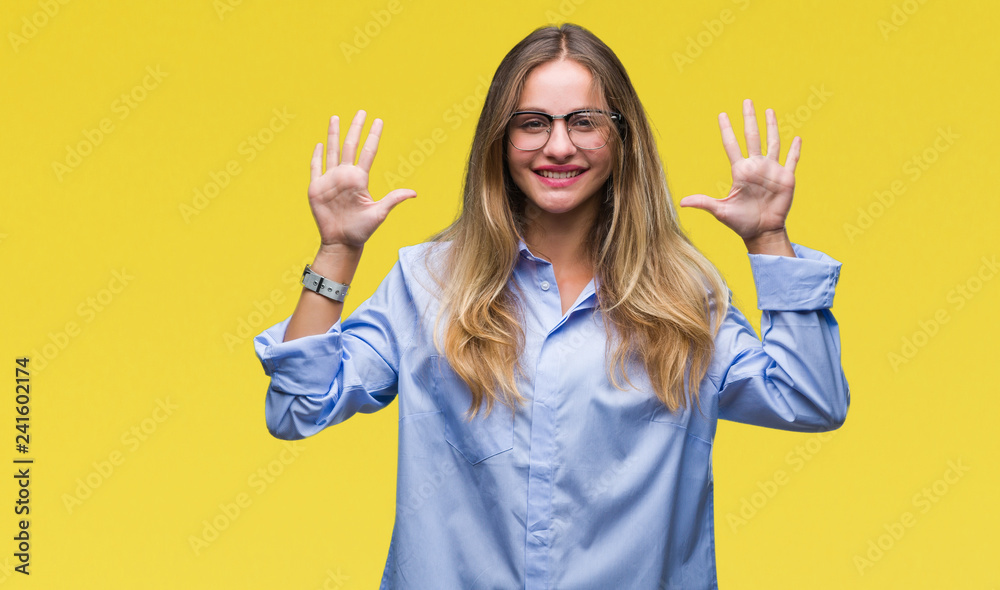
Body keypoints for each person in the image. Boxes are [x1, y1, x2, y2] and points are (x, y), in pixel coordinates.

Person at [253, 23, 848, 590]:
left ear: (621, 135)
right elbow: (297, 409)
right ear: (500, 138)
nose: (558, 146)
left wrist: (769, 239)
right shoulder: (428, 281)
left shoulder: (683, 295)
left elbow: (810, 398)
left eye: (585, 121)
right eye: (532, 123)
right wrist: (337, 251)